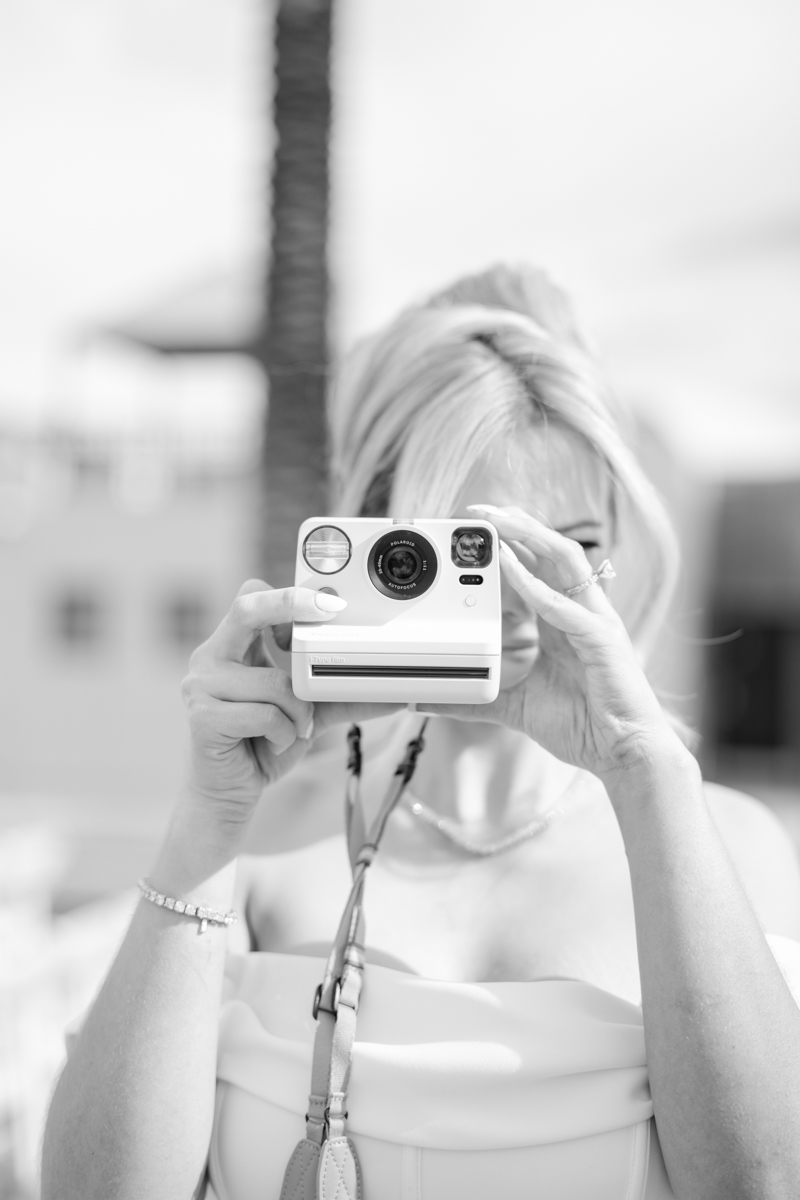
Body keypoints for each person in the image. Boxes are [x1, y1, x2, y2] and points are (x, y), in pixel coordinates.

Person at [43, 266, 800, 1200]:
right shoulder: (265, 842)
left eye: (570, 547)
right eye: (471, 552)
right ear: (375, 546)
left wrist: (643, 771)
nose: (525, 599)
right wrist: (206, 822)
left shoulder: (717, 841)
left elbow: (762, 1184)